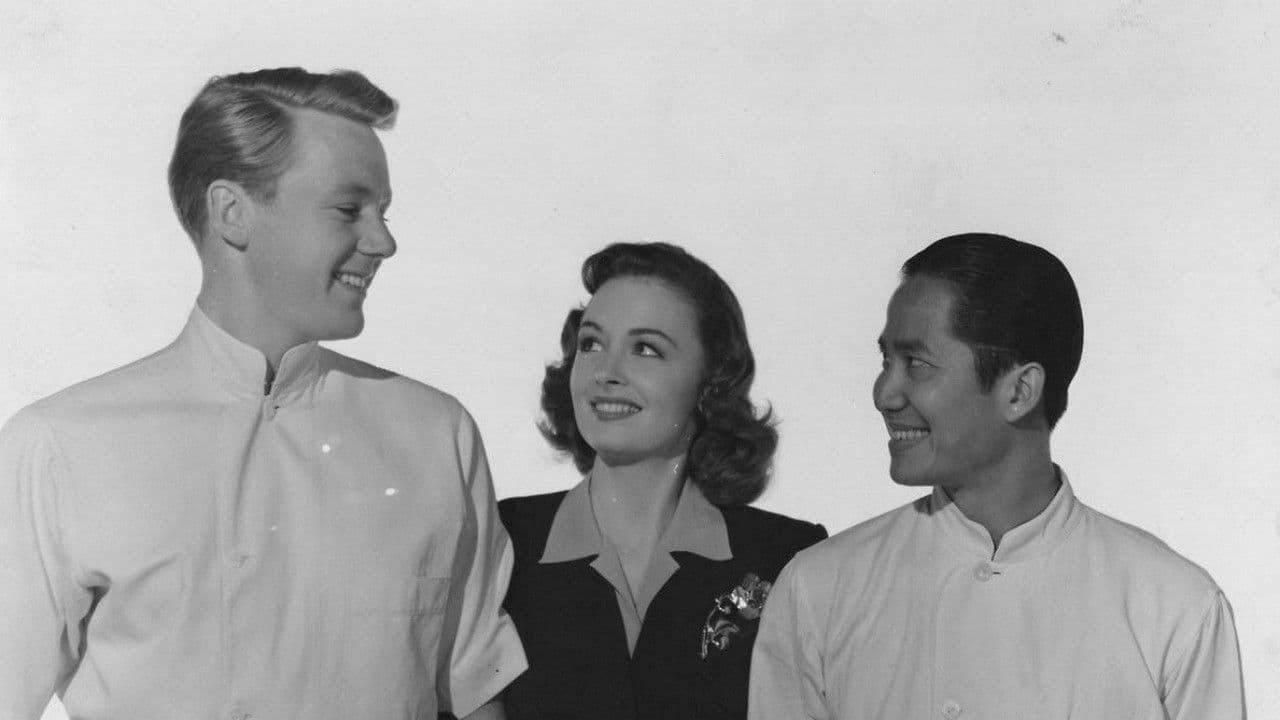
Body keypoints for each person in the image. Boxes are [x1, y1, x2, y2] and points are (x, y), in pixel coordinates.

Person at [0, 68, 525, 720]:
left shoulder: (436, 432)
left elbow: (476, 692)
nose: (384, 242)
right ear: (233, 212)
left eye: (383, 212)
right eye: (349, 209)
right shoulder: (58, 446)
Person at [748, 232, 1245, 719]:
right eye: (886, 360)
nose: (884, 394)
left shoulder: (1175, 607)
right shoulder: (818, 590)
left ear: (1020, 391)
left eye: (916, 363)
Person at [499, 242, 826, 720]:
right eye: (591, 344)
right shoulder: (499, 540)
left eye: (646, 349)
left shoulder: (788, 556)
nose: (606, 373)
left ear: (711, 379)